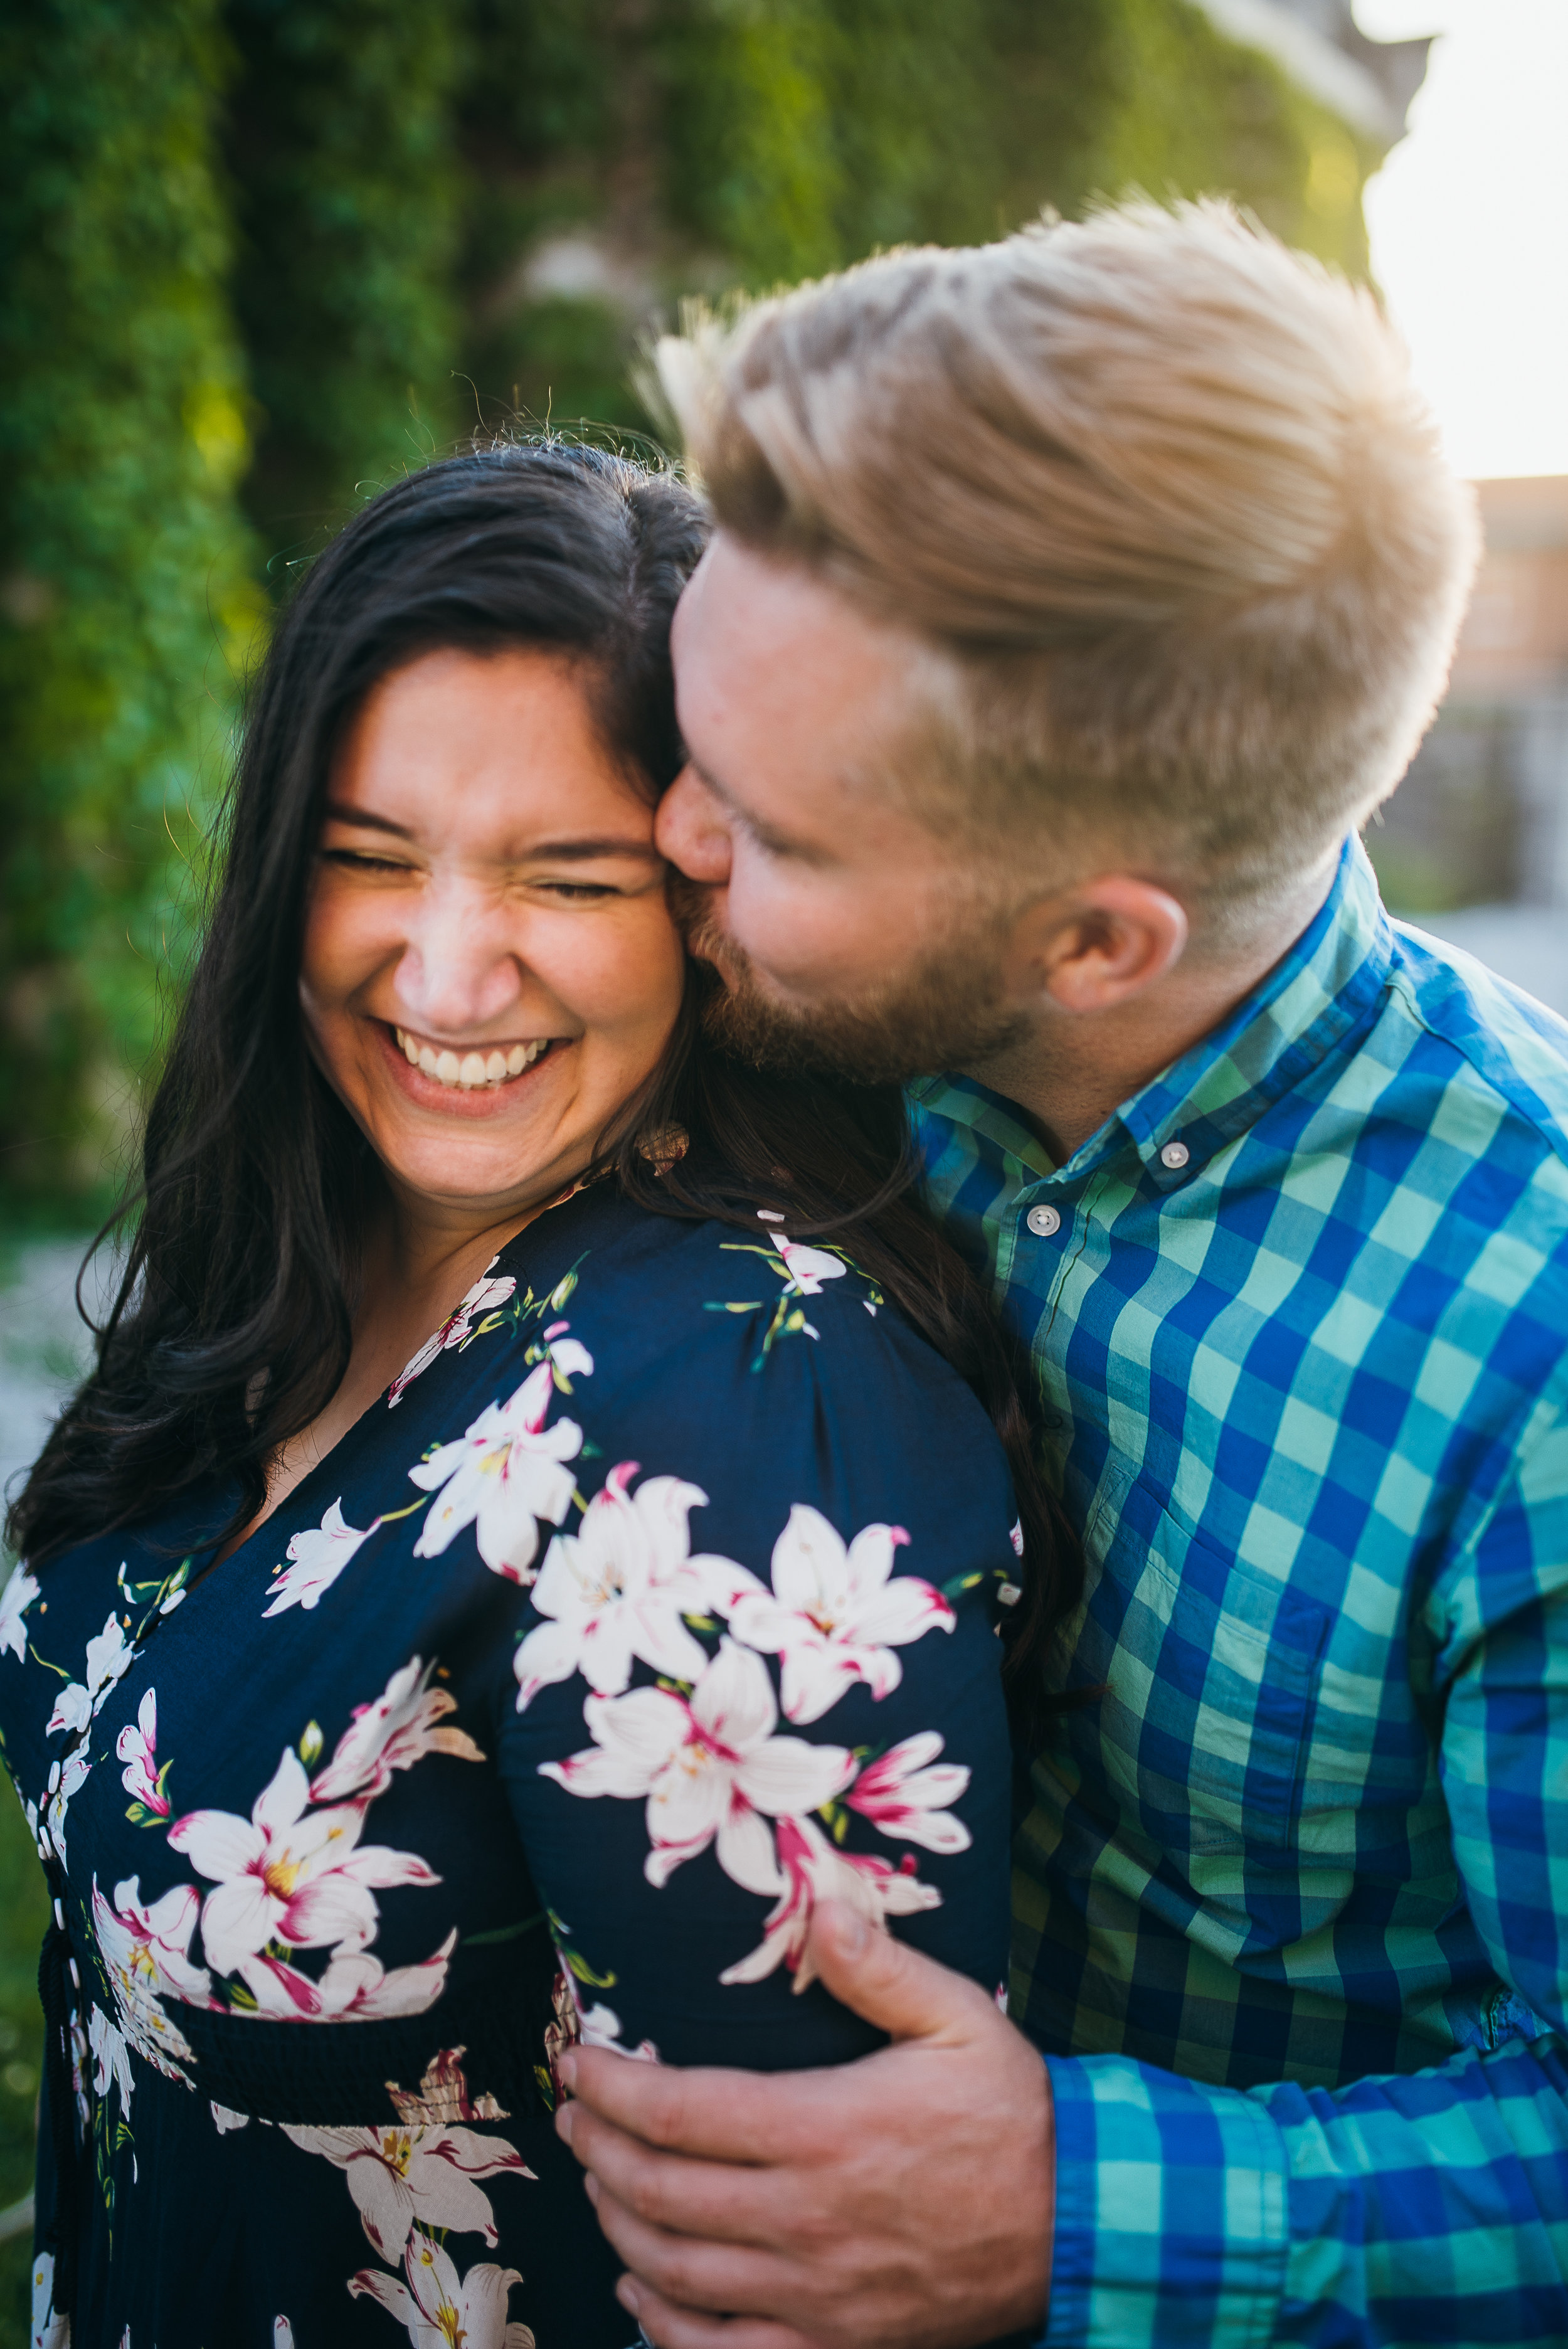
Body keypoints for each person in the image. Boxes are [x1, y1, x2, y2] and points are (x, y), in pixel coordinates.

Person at [549, 203, 1568, 2348]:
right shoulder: (798, 1022)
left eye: (776, 825)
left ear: (1096, 941)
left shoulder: (1529, 1348)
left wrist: (1078, 2210)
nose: (665, 843)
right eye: (684, 729)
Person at [0, 443, 1078, 2348]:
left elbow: (791, 2289)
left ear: (701, 903)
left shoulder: (751, 1412)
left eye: (562, 875)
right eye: (367, 854)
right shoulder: (303, 1246)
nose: (440, 968)